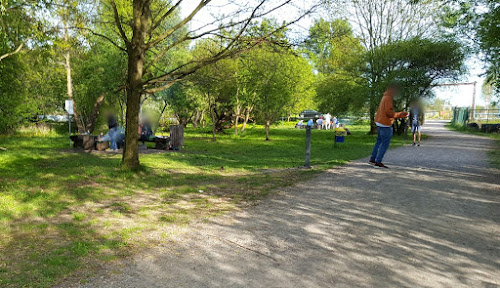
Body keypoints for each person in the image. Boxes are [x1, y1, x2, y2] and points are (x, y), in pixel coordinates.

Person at [369, 84, 408, 168]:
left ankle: (373, 159)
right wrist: (400, 114)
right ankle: (378, 162)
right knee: (384, 143)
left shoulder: (384, 97)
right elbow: (389, 113)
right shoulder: (388, 98)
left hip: (379, 122)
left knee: (379, 141)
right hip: (385, 123)